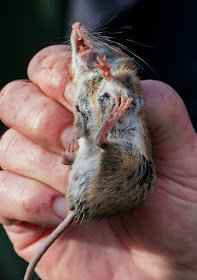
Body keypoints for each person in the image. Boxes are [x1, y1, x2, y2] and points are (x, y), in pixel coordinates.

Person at [0, 44, 197, 280]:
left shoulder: (126, 80)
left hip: (100, 184)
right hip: (94, 189)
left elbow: (128, 96)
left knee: (118, 150)